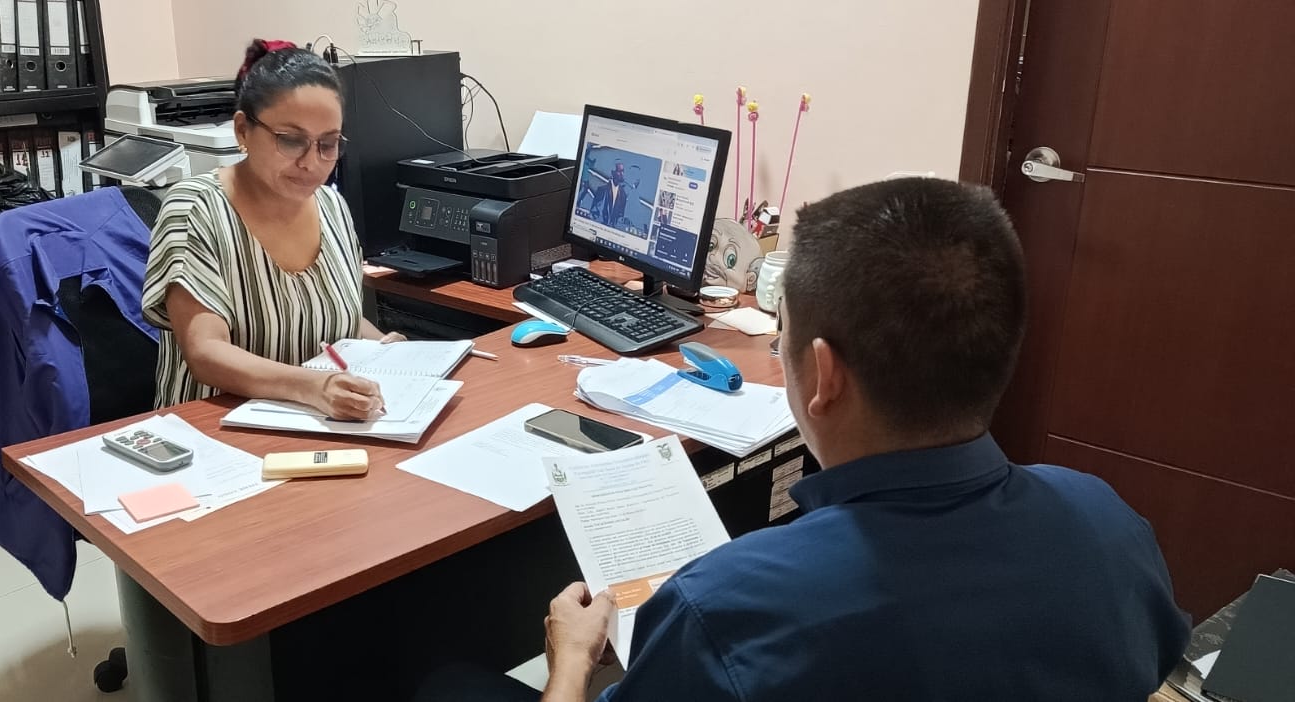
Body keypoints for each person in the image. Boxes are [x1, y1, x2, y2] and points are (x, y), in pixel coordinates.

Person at [424, 178, 1190, 701]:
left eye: (780, 331)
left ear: (823, 375)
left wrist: (569, 664)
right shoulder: (1110, 526)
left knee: (447, 683)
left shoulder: (721, 613)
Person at [141, 39, 404, 418]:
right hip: (214, 428)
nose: (311, 163)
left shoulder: (332, 206)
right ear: (242, 131)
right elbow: (205, 353)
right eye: (291, 141)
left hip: (317, 421)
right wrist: (313, 387)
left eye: (328, 144)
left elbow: (329, 318)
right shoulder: (196, 207)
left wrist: (386, 350)